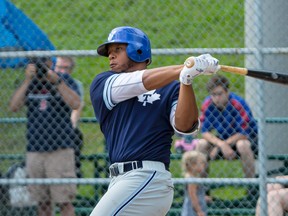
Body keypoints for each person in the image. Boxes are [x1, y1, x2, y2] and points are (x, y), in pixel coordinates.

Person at [89, 26, 220, 216]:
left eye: (117, 49)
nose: (110, 56)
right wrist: (186, 67)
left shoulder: (170, 88)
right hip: (121, 181)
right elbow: (141, 81)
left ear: (138, 50)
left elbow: (185, 126)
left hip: (147, 177)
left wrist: (187, 79)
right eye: (109, 52)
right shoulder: (104, 83)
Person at [9, 57, 81, 216]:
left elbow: (76, 104)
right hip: (35, 149)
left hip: (60, 148)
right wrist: (28, 80)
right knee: (42, 203)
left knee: (65, 202)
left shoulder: (64, 79)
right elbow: (14, 106)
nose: (40, 65)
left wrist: (57, 82)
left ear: (51, 62)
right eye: (36, 62)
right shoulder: (31, 83)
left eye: (43, 61)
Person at [196, 75, 258, 179]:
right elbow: (205, 132)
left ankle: (251, 187)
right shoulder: (208, 103)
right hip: (222, 140)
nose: (216, 98)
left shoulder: (238, 103)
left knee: (242, 145)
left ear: (227, 92)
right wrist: (221, 145)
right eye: (213, 94)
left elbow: (243, 134)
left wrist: (222, 145)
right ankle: (202, 189)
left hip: (244, 139)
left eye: (220, 94)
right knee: (201, 144)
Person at [55, 56, 85, 178]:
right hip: (48, 126)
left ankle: (75, 168)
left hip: (65, 127)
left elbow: (77, 107)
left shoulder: (75, 85)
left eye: (65, 68)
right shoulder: (45, 83)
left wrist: (71, 125)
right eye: (59, 67)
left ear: (71, 70)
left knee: (76, 135)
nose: (62, 71)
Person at [181, 150, 208, 216]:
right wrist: (199, 211)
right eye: (201, 163)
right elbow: (192, 195)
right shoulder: (191, 179)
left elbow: (196, 193)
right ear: (192, 164)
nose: (204, 165)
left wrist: (203, 197)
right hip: (193, 210)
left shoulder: (193, 177)